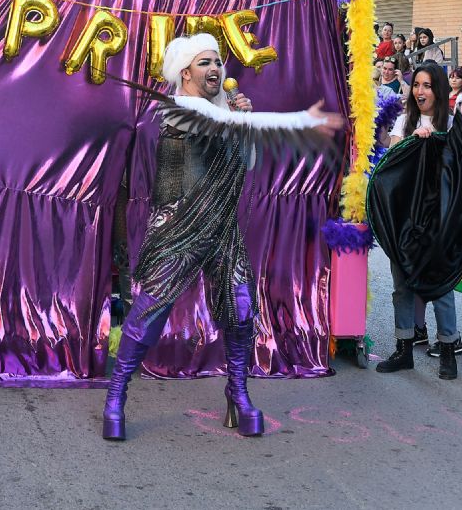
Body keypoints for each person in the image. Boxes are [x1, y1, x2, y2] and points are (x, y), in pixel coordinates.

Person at [102, 34, 341, 439]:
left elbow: (246, 162)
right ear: (185, 72)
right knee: (146, 318)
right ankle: (115, 397)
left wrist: (241, 123)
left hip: (223, 230)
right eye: (205, 63)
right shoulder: (172, 111)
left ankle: (238, 392)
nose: (215, 69)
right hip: (179, 229)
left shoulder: (222, 111)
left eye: (217, 62)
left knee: (243, 311)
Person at [378, 62, 462, 379]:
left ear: (439, 89)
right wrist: (411, 141)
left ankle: (448, 350)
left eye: (428, 85)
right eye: (417, 85)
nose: (421, 91)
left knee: (441, 285)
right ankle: (404, 348)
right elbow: (391, 161)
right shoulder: (404, 120)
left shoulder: (452, 122)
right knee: (402, 285)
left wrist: (437, 143)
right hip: (404, 216)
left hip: (439, 218)